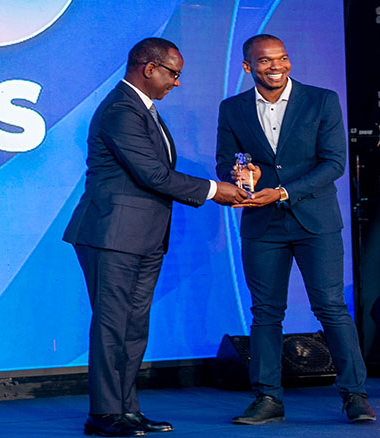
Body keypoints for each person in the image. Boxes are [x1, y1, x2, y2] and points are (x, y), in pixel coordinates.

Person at [63, 37, 248, 437]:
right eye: (173, 74)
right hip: (112, 236)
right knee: (112, 326)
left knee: (133, 328)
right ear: (149, 68)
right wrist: (214, 190)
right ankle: (103, 414)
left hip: (143, 237)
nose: (176, 83)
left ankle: (127, 410)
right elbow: (152, 175)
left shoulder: (143, 109)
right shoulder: (120, 110)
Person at [215, 34, 376, 424]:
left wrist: (284, 191)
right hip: (262, 224)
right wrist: (242, 174)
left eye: (282, 58)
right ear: (247, 67)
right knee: (266, 312)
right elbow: (225, 163)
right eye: (265, 60)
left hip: (315, 221)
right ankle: (267, 398)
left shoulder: (321, 100)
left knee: (330, 308)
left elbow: (334, 163)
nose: (276, 66)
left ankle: (355, 396)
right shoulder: (232, 108)